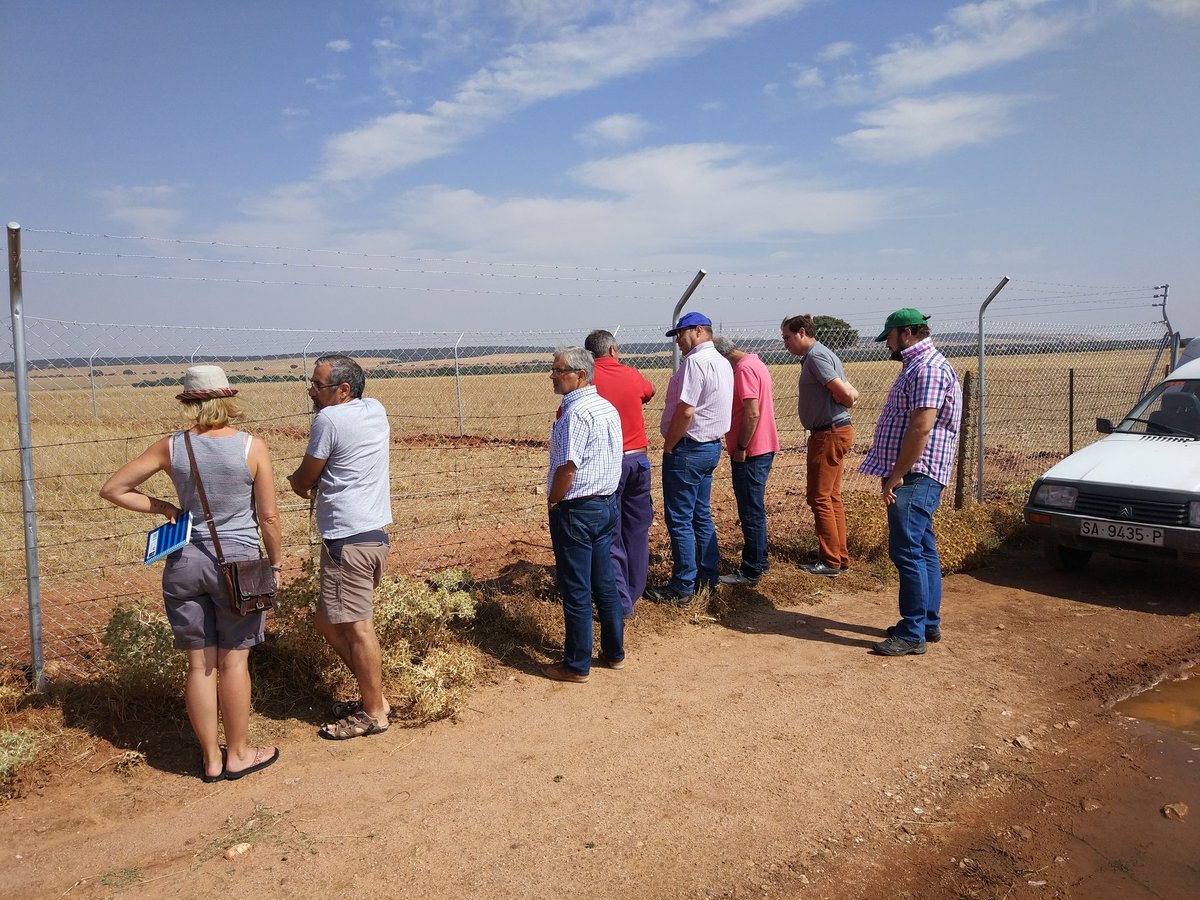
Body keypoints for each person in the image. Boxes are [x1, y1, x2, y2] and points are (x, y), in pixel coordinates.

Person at [100, 365, 281, 782]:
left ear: (189, 402)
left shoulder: (171, 447)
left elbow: (113, 488)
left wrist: (166, 508)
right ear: (228, 399)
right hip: (239, 564)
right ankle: (237, 754)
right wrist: (275, 564)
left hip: (185, 562)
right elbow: (268, 517)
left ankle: (210, 760)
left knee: (200, 665)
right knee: (235, 663)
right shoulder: (253, 447)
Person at [287, 354, 394, 736]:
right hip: (373, 535)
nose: (311, 391)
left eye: (318, 385)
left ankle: (374, 712)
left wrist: (295, 483)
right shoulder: (376, 409)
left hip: (346, 539)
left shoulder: (328, 420)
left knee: (357, 626)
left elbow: (305, 477)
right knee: (327, 620)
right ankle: (374, 697)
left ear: (343, 390)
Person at [860, 309, 962, 656]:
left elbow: (921, 427)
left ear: (905, 334)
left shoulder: (928, 369)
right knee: (922, 547)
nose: (886, 344)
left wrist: (898, 473)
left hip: (917, 474)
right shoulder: (920, 366)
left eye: (888, 337)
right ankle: (927, 623)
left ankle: (912, 632)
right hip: (915, 472)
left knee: (906, 550)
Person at [542, 347, 625, 683]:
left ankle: (576, 664)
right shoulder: (606, 407)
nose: (553, 374)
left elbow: (568, 467)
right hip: (605, 504)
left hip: (577, 507)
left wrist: (553, 500)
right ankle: (614, 652)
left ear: (581, 375)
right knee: (604, 581)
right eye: (553, 368)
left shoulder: (574, 413)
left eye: (559, 370)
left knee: (576, 588)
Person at [644, 312, 734, 606]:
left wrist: (669, 445)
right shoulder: (722, 361)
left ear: (697, 331)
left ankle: (682, 588)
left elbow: (686, 410)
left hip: (688, 447)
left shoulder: (695, 362)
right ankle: (708, 578)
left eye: (681, 335)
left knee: (681, 520)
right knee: (700, 515)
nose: (679, 342)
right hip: (710, 447)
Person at [781, 315, 860, 578]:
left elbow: (846, 393)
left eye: (787, 338)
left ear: (802, 332)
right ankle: (839, 555)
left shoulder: (816, 357)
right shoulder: (824, 354)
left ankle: (830, 561)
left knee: (820, 497)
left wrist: (846, 400)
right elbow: (850, 390)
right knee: (831, 496)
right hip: (833, 431)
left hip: (828, 433)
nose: (785, 344)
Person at [584, 329, 656, 616]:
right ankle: (634, 591)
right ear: (613, 350)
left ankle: (619, 602)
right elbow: (648, 392)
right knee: (637, 530)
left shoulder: (586, 379)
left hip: (607, 464)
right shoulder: (631, 373)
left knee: (609, 533)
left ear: (589, 355)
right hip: (638, 461)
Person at [712, 337, 780, 586]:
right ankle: (759, 561)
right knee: (754, 509)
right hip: (762, 446)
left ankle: (751, 569)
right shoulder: (756, 363)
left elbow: (752, 412)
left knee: (750, 511)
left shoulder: (743, 370)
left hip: (751, 451)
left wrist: (741, 447)